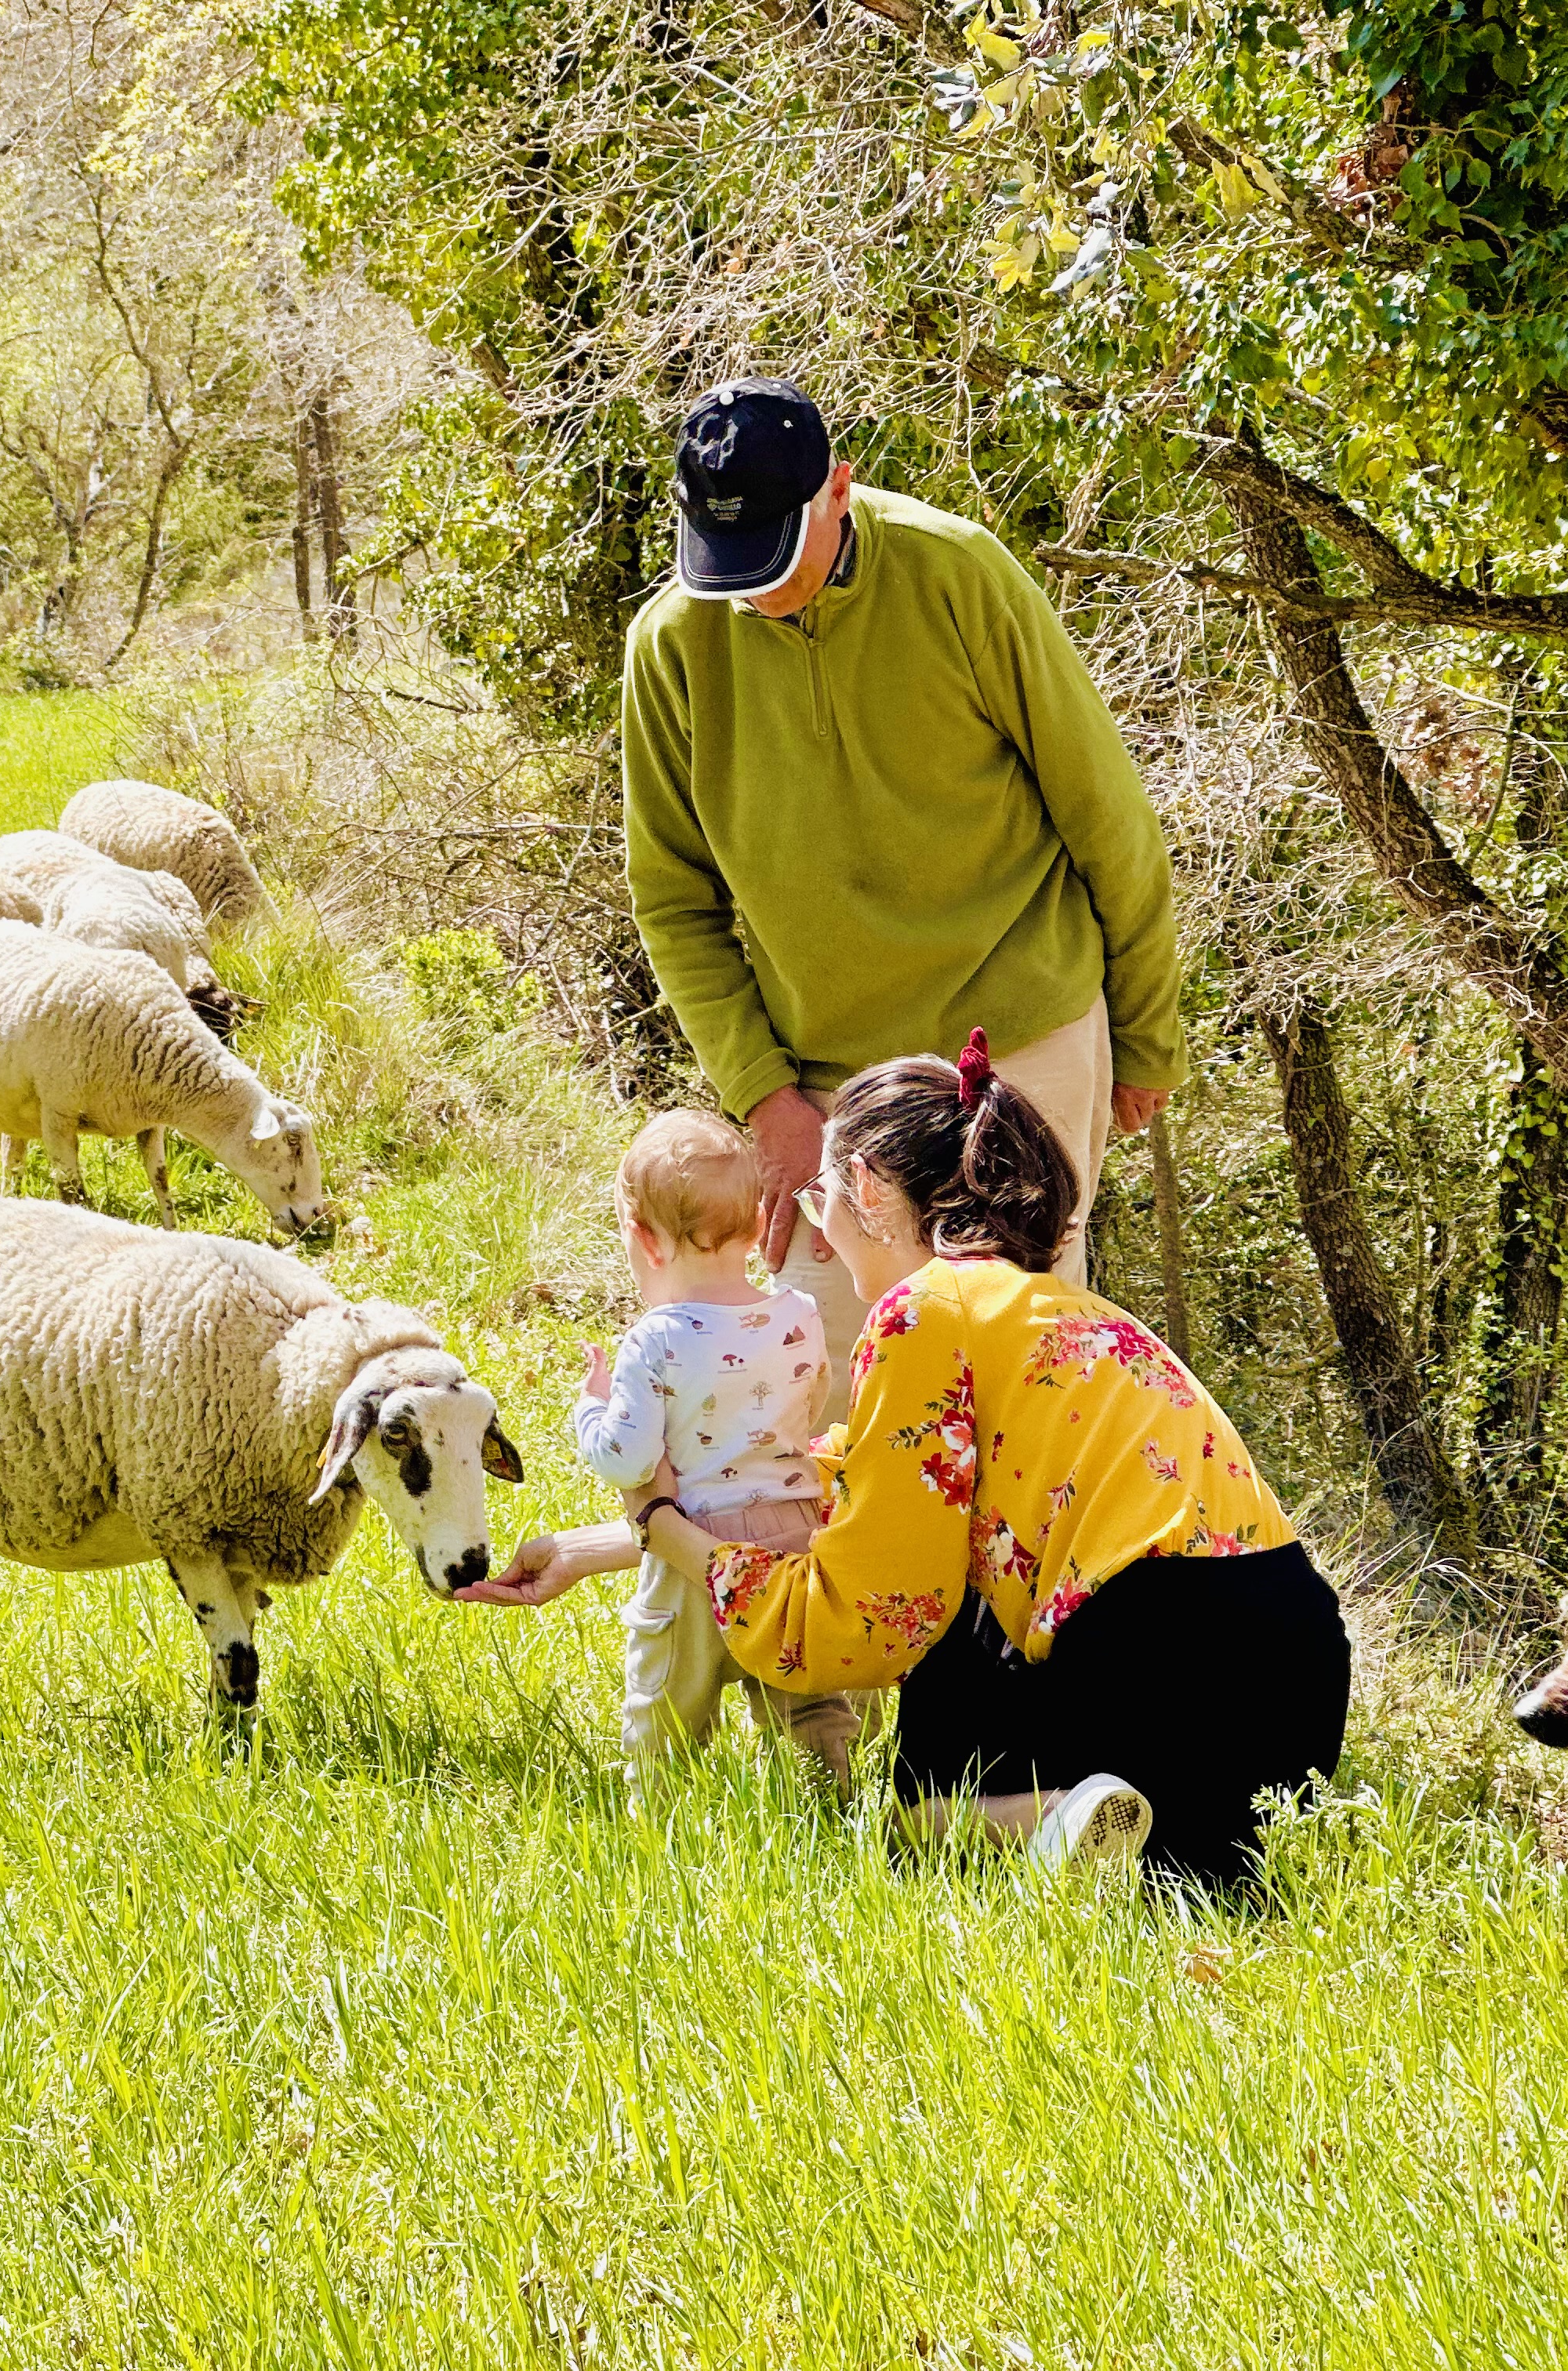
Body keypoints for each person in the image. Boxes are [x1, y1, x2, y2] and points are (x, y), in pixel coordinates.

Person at [471, 1038, 1350, 1886]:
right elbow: (833, 1490)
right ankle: (1136, 1831)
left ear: (864, 1188)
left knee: (892, 1821)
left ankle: (1049, 1817)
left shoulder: (921, 1315)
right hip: (1291, 1679)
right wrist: (596, 1550)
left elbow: (872, 1618)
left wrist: (668, 1533)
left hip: (1156, 1657)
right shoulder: (1061, 1307)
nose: (817, 1235)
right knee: (1187, 1846)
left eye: (817, 1199)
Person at [622, 376, 1182, 1347]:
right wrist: (768, 1099)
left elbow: (1109, 819)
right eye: (728, 563)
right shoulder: (670, 646)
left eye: (775, 556)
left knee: (1023, 1376)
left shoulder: (958, 573)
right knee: (838, 1395)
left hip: (1021, 1046)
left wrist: (1144, 1034)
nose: (752, 591)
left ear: (839, 490)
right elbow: (674, 903)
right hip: (831, 1085)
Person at [571, 1109, 856, 1792]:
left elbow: (627, 1461)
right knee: (806, 1691)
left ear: (646, 1240)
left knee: (667, 1701)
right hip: (792, 1535)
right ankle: (833, 1803)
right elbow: (809, 1406)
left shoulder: (655, 1339)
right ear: (761, 1224)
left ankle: (660, 1823)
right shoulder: (800, 1314)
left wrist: (590, 1408)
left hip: (692, 1547)